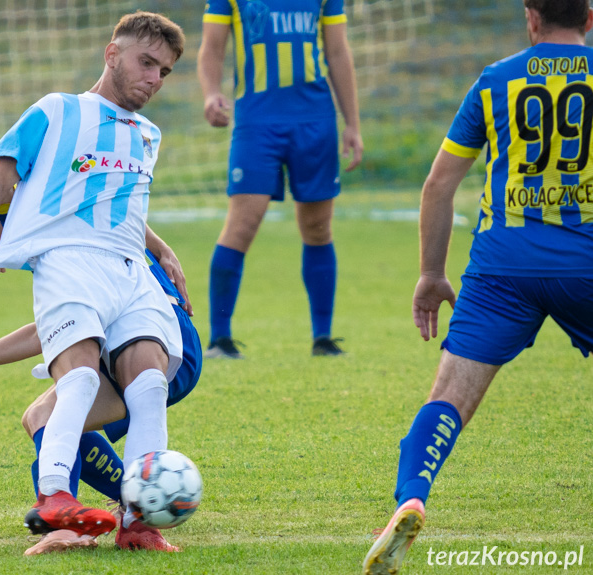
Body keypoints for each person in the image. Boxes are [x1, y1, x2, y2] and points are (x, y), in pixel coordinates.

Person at [363, 2, 593, 573]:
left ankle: (412, 494)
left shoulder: (496, 80)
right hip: (587, 261)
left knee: (447, 398)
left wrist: (432, 274)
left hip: (501, 270)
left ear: (530, 16)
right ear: (589, 17)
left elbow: (439, 185)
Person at [0, 11, 187, 540]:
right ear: (112, 53)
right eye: (146, 63)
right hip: (68, 262)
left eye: (164, 71)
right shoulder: (57, 111)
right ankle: (55, 496)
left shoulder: (149, 134)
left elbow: (117, 205)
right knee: (76, 376)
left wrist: (162, 249)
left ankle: (138, 521)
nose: (153, 78)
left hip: (131, 271)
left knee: (148, 384)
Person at [0, 247, 201, 555]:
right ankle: (129, 508)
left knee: (48, 415)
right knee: (39, 416)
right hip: (126, 328)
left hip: (162, 338)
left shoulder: (55, 232)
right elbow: (54, 326)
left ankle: (87, 522)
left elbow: (48, 329)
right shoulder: (71, 227)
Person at [198, 0, 363, 359]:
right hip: (257, 124)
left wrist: (352, 123)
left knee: (318, 227)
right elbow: (211, 48)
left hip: (315, 122)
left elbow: (337, 52)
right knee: (241, 225)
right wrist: (211, 93)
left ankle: (323, 337)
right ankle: (220, 340)